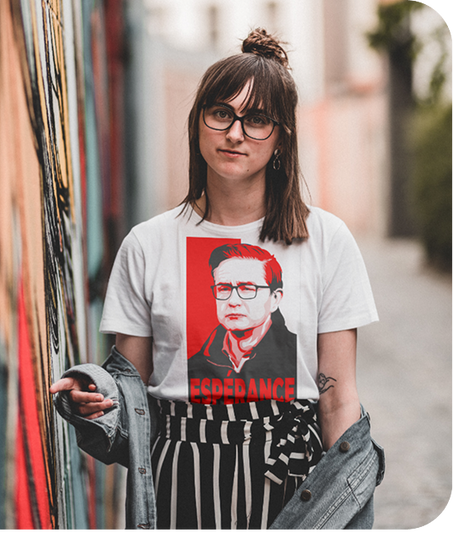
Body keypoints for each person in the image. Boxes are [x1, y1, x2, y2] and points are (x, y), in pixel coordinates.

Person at [50, 28, 382, 532]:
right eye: (222, 113)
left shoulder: (327, 240)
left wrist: (347, 505)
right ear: (199, 122)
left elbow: (338, 398)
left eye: (258, 120)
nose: (235, 133)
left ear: (282, 137)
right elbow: (130, 389)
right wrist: (94, 394)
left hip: (296, 483)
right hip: (178, 480)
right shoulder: (148, 244)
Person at [188, 243, 297, 404]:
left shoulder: (297, 355)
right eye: (223, 288)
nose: (232, 301)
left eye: (247, 288)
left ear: (275, 298)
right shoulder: (195, 362)